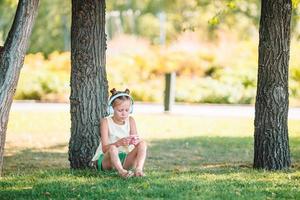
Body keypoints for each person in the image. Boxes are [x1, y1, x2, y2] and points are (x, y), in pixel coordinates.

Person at [91, 88, 147, 178]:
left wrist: (134, 141)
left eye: (127, 110)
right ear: (111, 109)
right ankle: (122, 172)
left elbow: (136, 141)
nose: (124, 113)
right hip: (107, 160)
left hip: (125, 159)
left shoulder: (131, 120)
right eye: (120, 110)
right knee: (113, 148)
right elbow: (105, 149)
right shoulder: (105, 122)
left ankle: (139, 169)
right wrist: (118, 143)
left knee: (142, 144)